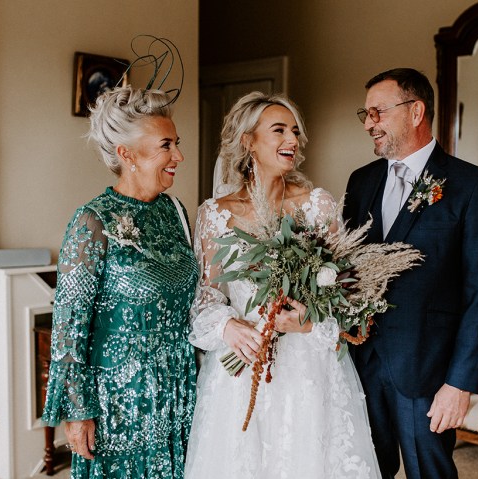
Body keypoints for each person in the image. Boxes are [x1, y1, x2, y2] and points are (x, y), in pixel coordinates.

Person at [184, 91, 382, 479]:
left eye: (295, 131)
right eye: (279, 130)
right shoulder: (215, 215)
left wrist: (310, 321)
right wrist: (229, 325)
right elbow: (206, 297)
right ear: (248, 142)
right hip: (243, 368)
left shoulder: (317, 206)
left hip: (309, 368)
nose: (292, 140)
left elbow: (346, 295)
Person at [343, 68, 478, 479]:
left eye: (377, 112)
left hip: (429, 372)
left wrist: (460, 384)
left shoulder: (472, 186)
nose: (369, 124)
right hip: (361, 361)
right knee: (363, 469)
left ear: (416, 111)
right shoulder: (360, 182)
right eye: (364, 114)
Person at [41, 86, 198, 478]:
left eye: (177, 144)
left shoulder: (175, 211)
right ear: (126, 154)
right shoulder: (93, 221)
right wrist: (78, 411)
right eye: (166, 146)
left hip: (179, 384)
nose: (178, 156)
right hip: (119, 397)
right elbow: (68, 326)